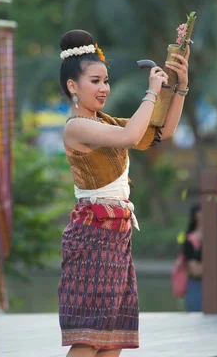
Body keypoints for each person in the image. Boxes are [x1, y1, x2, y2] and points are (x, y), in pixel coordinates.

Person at [58, 30, 190, 356]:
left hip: (117, 236)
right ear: (73, 86)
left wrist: (180, 85)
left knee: (113, 340)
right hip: (92, 236)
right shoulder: (76, 126)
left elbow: (162, 131)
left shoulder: (106, 123)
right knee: (88, 339)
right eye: (95, 81)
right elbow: (133, 136)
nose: (104, 88)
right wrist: (151, 92)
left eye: (106, 81)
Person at [183, 204, 203, 312]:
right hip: (196, 285)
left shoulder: (216, 237)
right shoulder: (190, 240)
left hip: (211, 286)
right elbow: (195, 271)